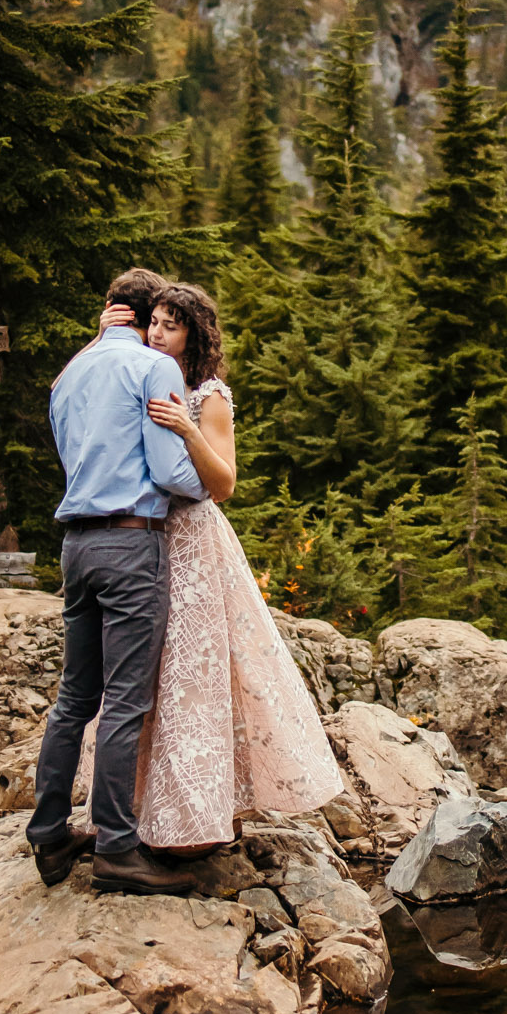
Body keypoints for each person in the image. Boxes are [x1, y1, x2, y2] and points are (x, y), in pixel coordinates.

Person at [126, 280, 342, 846]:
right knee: (148, 672)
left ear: (193, 335)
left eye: (171, 325)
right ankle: (145, 803)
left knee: (198, 674)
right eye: (154, 322)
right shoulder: (140, 376)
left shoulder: (209, 394)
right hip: (144, 538)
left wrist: (187, 427)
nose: (157, 332)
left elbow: (224, 483)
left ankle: (206, 811)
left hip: (195, 542)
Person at [27, 267, 207, 896]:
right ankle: (117, 850)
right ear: (140, 315)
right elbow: (168, 470)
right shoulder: (154, 368)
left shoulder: (68, 375)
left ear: (108, 312)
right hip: (131, 542)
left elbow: (70, 451)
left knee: (74, 698)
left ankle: (49, 834)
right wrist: (206, 481)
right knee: (126, 701)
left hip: (75, 544)